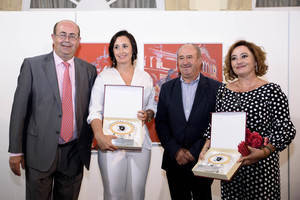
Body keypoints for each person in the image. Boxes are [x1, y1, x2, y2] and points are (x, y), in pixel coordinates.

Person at [8, 20, 97, 200]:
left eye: (72, 36)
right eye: (62, 34)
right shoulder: (32, 66)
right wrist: (16, 151)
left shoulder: (88, 70)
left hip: (73, 153)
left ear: (79, 40)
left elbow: (93, 109)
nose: (67, 40)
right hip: (39, 151)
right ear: (53, 38)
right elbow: (19, 110)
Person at [199, 40, 296, 199]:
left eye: (244, 56)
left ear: (256, 60)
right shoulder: (224, 91)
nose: (238, 61)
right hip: (230, 167)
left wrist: (263, 152)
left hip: (262, 168)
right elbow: (216, 125)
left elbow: (285, 130)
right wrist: (205, 149)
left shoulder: (272, 90)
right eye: (234, 58)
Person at [87, 30, 156, 200]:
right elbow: (94, 111)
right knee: (113, 194)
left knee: (137, 194)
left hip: (140, 144)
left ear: (133, 49)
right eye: (116, 47)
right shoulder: (104, 77)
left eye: (125, 46)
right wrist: (99, 136)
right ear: (112, 52)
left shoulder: (145, 77)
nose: (121, 51)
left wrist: (147, 114)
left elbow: (152, 108)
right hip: (111, 143)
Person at [155, 44, 221, 200]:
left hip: (203, 160)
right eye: (181, 58)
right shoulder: (166, 88)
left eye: (190, 57)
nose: (185, 62)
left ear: (199, 61)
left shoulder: (216, 88)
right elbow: (161, 123)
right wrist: (176, 150)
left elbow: (217, 124)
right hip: (174, 161)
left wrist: (194, 151)